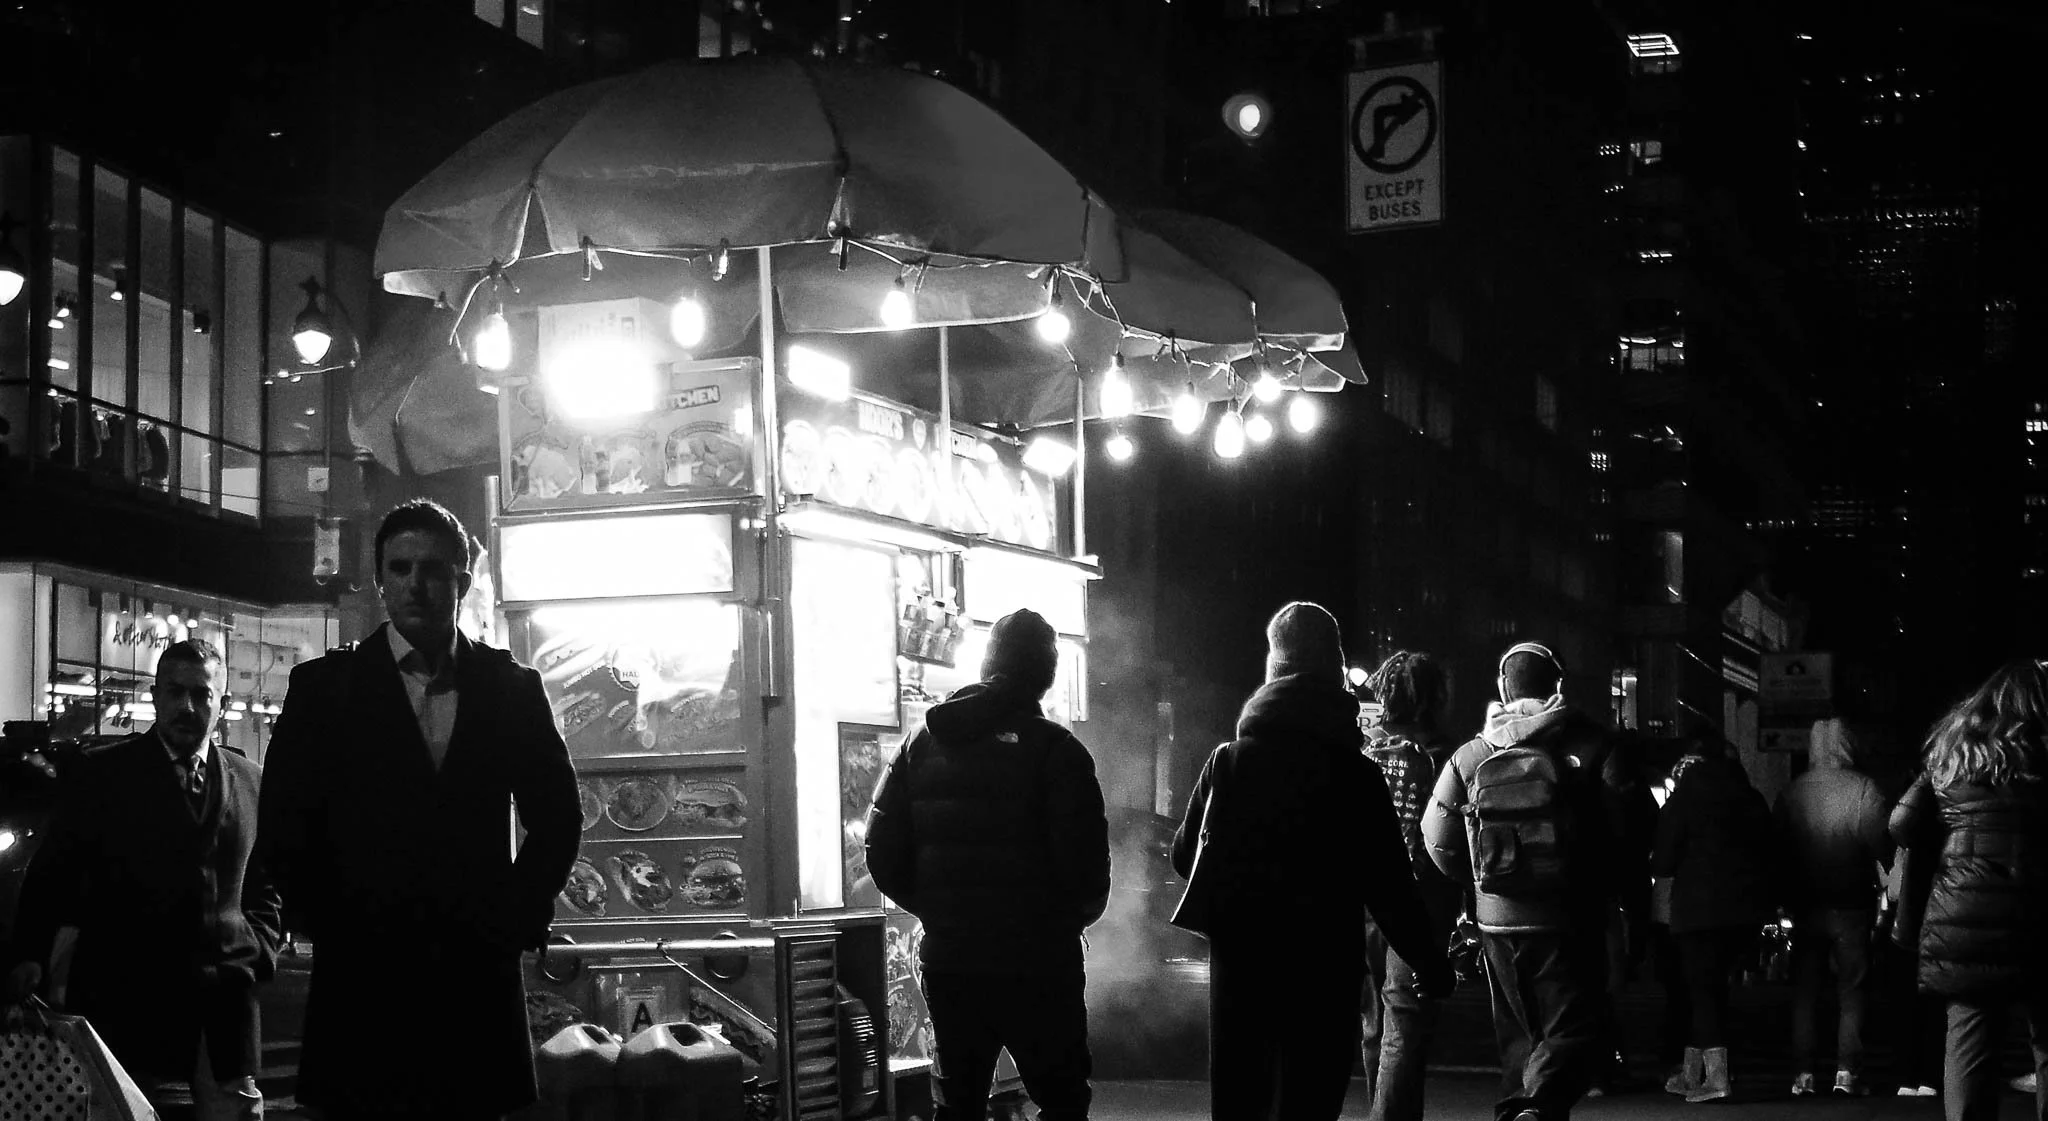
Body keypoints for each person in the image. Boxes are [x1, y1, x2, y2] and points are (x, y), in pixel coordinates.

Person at [255, 499, 581, 1121]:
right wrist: (333, 922)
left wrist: (515, 914)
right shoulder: (327, 689)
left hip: (473, 971)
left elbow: (558, 816)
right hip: (365, 975)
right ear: (380, 581)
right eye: (399, 568)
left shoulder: (508, 688)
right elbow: (285, 821)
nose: (415, 584)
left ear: (460, 579)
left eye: (431, 569)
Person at [1175, 603, 1450, 1121]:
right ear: (1334, 667)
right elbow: (1390, 887)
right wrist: (1432, 966)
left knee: (1242, 1097)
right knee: (1309, 1097)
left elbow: (1185, 856)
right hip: (1323, 967)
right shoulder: (1356, 775)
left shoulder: (1229, 761)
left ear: (1272, 668)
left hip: (1242, 965)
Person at [6, 640, 283, 1121]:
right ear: (155, 696)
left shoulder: (251, 780)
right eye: (175, 692)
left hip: (225, 1007)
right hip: (128, 1000)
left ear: (222, 701)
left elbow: (267, 878)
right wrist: (30, 954)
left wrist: (259, 945)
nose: (187, 706)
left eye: (201, 694)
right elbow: (54, 874)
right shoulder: (104, 776)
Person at [865, 608, 1110, 1121]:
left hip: (951, 961)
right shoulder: (1060, 753)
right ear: (1046, 674)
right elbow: (1088, 875)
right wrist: (1058, 924)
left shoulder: (921, 744)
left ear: (986, 664)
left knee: (960, 1103)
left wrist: (939, 909)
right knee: (1063, 1101)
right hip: (1040, 964)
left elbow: (881, 854)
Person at [1424, 641, 1631, 1121]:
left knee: (1516, 1032)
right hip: (1568, 913)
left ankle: (1517, 1109)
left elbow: (1437, 839)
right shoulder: (1593, 744)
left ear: (1501, 686)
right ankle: (1537, 1109)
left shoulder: (1474, 753)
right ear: (1558, 685)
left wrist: (1482, 881)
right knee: (1574, 1025)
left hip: (1496, 917)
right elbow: (1625, 832)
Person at [1889, 660, 2048, 1121]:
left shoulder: (1952, 755)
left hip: (1966, 912)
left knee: (1970, 1040)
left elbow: (1901, 823)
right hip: (2040, 913)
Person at [1358, 650, 1459, 1121]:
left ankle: (1382, 1110)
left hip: (1360, 897)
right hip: (1418, 899)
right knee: (1406, 1021)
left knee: (1373, 1024)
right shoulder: (1442, 756)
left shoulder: (1365, 751)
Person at [1651, 739, 1775, 1103]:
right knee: (1714, 987)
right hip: (1746, 911)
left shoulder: (1684, 799)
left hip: (1698, 909)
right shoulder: (1751, 797)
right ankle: (1692, 1075)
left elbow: (1663, 861)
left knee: (1700, 990)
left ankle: (1716, 1079)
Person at [1775, 716, 1893, 1097]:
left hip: (1805, 903)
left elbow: (1777, 846)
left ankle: (1804, 1073)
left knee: (1805, 990)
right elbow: (1883, 844)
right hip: (1852, 902)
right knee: (1852, 990)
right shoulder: (1864, 789)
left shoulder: (1793, 792)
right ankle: (1846, 1072)